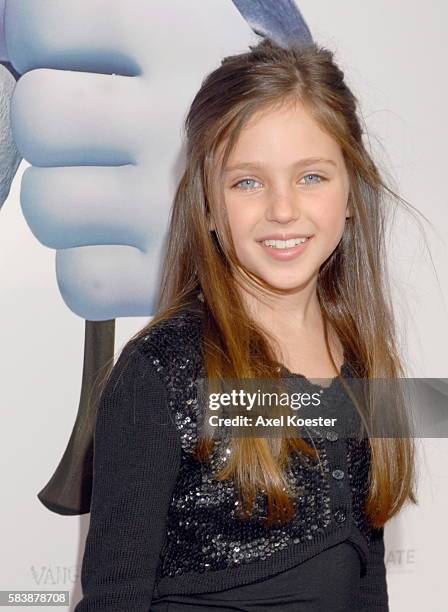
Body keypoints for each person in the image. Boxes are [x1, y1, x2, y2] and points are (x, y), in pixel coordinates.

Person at [74, 37, 418, 611]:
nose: (282, 209)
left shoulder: (361, 363)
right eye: (247, 182)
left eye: (311, 176)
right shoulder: (161, 373)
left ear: (352, 191)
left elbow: (366, 582)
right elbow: (114, 597)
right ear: (207, 204)